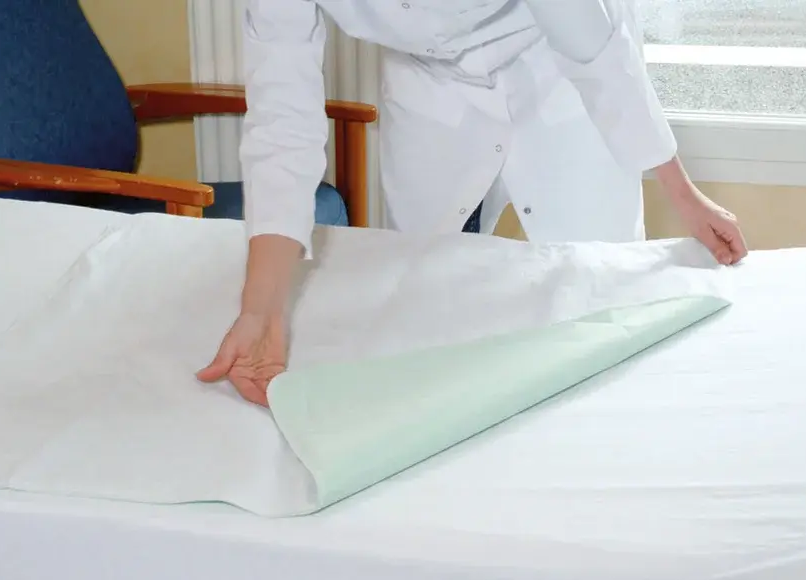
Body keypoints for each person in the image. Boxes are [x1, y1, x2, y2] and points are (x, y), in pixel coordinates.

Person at [197, 0, 749, 406]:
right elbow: (283, 122)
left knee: (603, 290)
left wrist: (685, 195)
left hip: (555, 67)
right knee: (426, 301)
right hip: (429, 79)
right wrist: (259, 309)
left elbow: (592, 48)